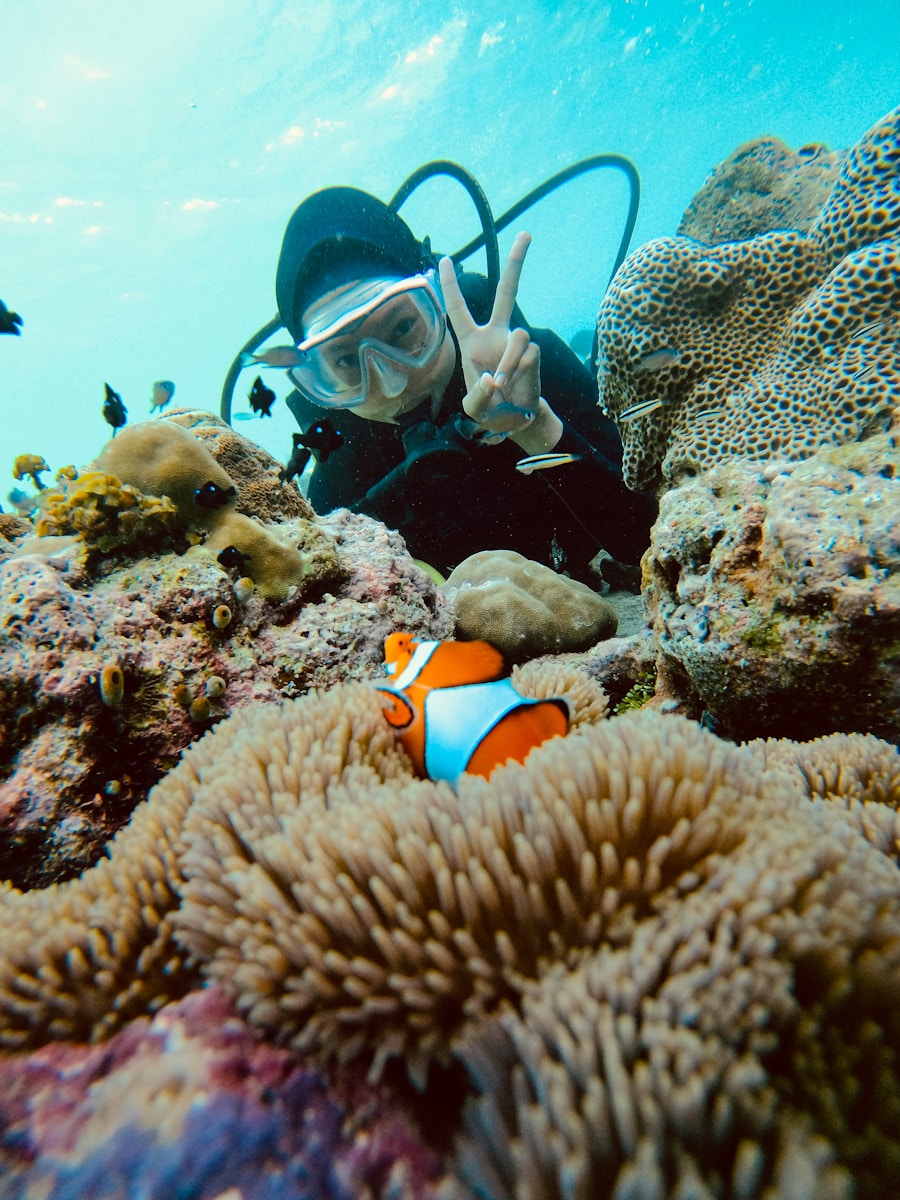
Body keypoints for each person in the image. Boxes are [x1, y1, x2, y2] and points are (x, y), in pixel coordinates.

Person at [273, 186, 656, 583]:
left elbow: (646, 545)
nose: (392, 384)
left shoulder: (525, 366)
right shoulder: (341, 456)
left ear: (439, 301)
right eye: (346, 361)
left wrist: (536, 427)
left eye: (403, 328)